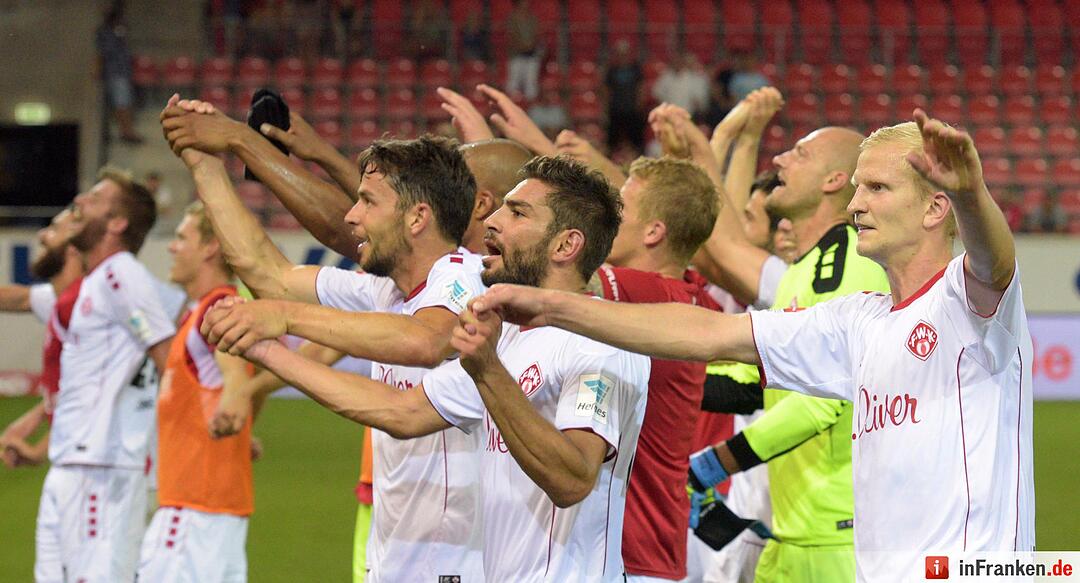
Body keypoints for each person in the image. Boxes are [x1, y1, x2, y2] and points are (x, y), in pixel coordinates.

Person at [471, 110, 1034, 582]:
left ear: (937, 208)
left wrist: (971, 195)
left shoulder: (969, 303)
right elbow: (709, 333)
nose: (855, 205)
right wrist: (549, 306)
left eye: (877, 189)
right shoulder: (858, 322)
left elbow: (994, 260)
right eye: (857, 187)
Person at [209, 155, 650, 581]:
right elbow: (404, 411)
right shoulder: (507, 336)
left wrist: (488, 372)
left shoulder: (601, 344)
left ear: (566, 245)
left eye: (516, 213)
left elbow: (572, 479)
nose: (492, 220)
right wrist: (266, 351)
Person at [165, 119, 487, 581]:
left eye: (368, 201)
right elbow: (267, 273)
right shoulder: (390, 289)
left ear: (417, 218)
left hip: (458, 566)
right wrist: (204, 165)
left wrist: (285, 318)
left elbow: (425, 341)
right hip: (400, 558)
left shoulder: (466, 277)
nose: (352, 216)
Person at [36, 168, 176, 583]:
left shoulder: (121, 275)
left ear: (117, 223)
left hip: (104, 470)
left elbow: (167, 358)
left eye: (94, 199)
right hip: (72, 463)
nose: (79, 202)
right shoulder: (96, 283)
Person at [594, 156, 723, 582]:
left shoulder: (645, 292)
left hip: (633, 552)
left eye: (620, 209)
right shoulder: (692, 295)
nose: (606, 217)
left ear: (654, 231)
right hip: (653, 544)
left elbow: (554, 273)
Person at [134, 201, 258, 583]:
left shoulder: (216, 309)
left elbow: (235, 375)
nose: (172, 247)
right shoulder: (203, 311)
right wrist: (239, 418)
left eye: (181, 237)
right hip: (213, 509)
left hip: (193, 512)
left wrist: (236, 402)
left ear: (210, 248)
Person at [0, 208, 84, 468]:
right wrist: (39, 415)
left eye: (54, 229)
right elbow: (19, 298)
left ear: (74, 247)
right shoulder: (65, 299)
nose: (42, 235)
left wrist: (38, 450)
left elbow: (99, 395)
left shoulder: (90, 305)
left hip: (98, 471)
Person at [95, 4, 142, 143]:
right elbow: (101, 54)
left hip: (123, 72)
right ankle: (126, 132)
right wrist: (97, 69)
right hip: (114, 73)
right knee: (121, 104)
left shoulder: (120, 31)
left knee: (125, 103)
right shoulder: (104, 33)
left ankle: (127, 131)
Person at [605, 40, 645, 151]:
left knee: (637, 142)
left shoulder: (636, 69)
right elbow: (606, 91)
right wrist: (606, 108)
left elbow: (640, 88)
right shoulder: (612, 71)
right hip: (616, 110)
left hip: (632, 110)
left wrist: (639, 105)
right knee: (612, 143)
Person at [652, 54, 710, 119]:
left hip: (690, 117)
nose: (677, 63)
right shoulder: (667, 76)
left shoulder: (698, 79)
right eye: (675, 61)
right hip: (669, 115)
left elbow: (701, 105)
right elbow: (656, 92)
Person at [506, 0, 542, 99]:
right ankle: (512, 106)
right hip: (516, 55)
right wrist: (522, 45)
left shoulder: (532, 18)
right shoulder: (512, 18)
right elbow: (511, 35)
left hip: (531, 54)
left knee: (531, 83)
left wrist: (531, 45)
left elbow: (537, 34)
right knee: (514, 82)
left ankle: (530, 106)